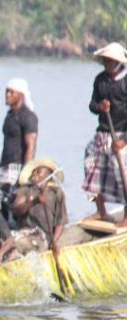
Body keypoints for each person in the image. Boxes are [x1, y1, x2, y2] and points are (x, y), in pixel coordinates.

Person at [83, 43, 127, 225]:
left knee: (123, 173)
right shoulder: (100, 80)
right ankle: (101, 211)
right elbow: (92, 105)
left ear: (118, 62)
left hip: (122, 134)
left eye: (110, 61)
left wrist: (124, 140)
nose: (107, 64)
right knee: (90, 164)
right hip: (103, 132)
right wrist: (100, 107)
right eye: (105, 61)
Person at [0, 79, 38, 207]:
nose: (7, 95)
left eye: (12, 92)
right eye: (6, 91)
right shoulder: (10, 115)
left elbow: (31, 146)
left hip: (17, 167)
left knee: (9, 201)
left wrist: (25, 173)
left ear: (21, 95)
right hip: (3, 166)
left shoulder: (28, 116)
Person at [11, 158, 68, 254]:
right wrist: (35, 201)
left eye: (38, 172)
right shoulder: (25, 190)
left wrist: (54, 241)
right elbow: (17, 210)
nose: (34, 174)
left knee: (24, 245)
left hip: (42, 236)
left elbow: (60, 222)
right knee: (16, 244)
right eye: (33, 172)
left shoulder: (56, 193)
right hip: (25, 231)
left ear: (48, 175)